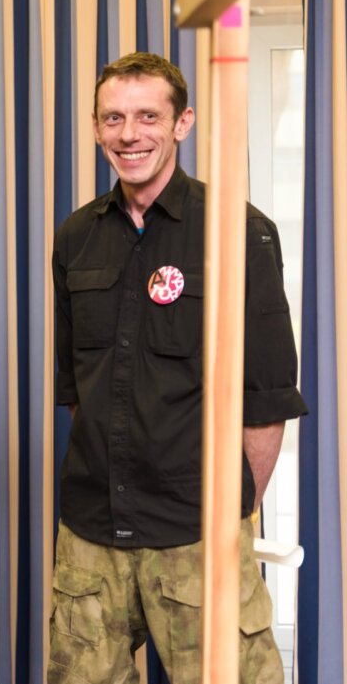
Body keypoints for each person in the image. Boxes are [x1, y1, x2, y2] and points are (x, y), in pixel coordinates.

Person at [50, 52, 308, 684]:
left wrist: (229, 514)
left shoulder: (240, 232)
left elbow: (266, 401)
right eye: (114, 117)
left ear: (182, 122)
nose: (129, 133)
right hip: (91, 532)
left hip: (197, 534)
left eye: (147, 116)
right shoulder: (76, 235)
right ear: (95, 126)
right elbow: (78, 386)